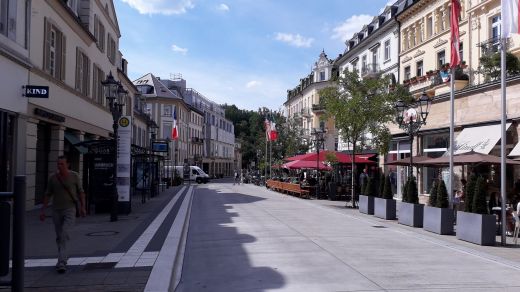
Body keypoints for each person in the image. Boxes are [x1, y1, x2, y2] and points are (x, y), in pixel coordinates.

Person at [39, 156, 86, 273]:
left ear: (67, 165)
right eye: (58, 164)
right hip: (56, 210)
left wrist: (83, 207)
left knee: (64, 234)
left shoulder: (74, 176)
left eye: (62, 164)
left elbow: (81, 192)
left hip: (70, 209)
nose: (59, 166)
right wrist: (43, 210)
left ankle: (61, 262)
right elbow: (47, 194)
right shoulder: (53, 178)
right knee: (60, 236)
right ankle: (62, 256)